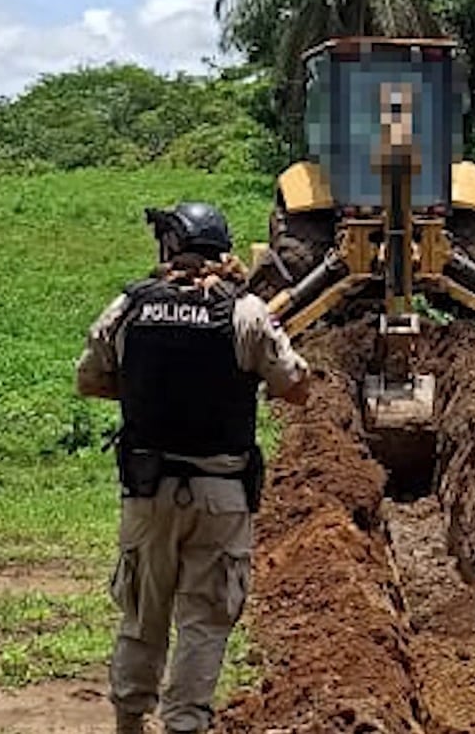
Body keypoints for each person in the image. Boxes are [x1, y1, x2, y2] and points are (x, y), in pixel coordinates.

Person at [75, 201, 313, 734]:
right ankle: (186, 725)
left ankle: (129, 722)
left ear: (172, 247)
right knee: (205, 621)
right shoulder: (246, 312)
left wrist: (143, 392)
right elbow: (296, 387)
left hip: (147, 490)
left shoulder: (130, 306)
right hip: (221, 494)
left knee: (142, 614)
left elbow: (89, 379)